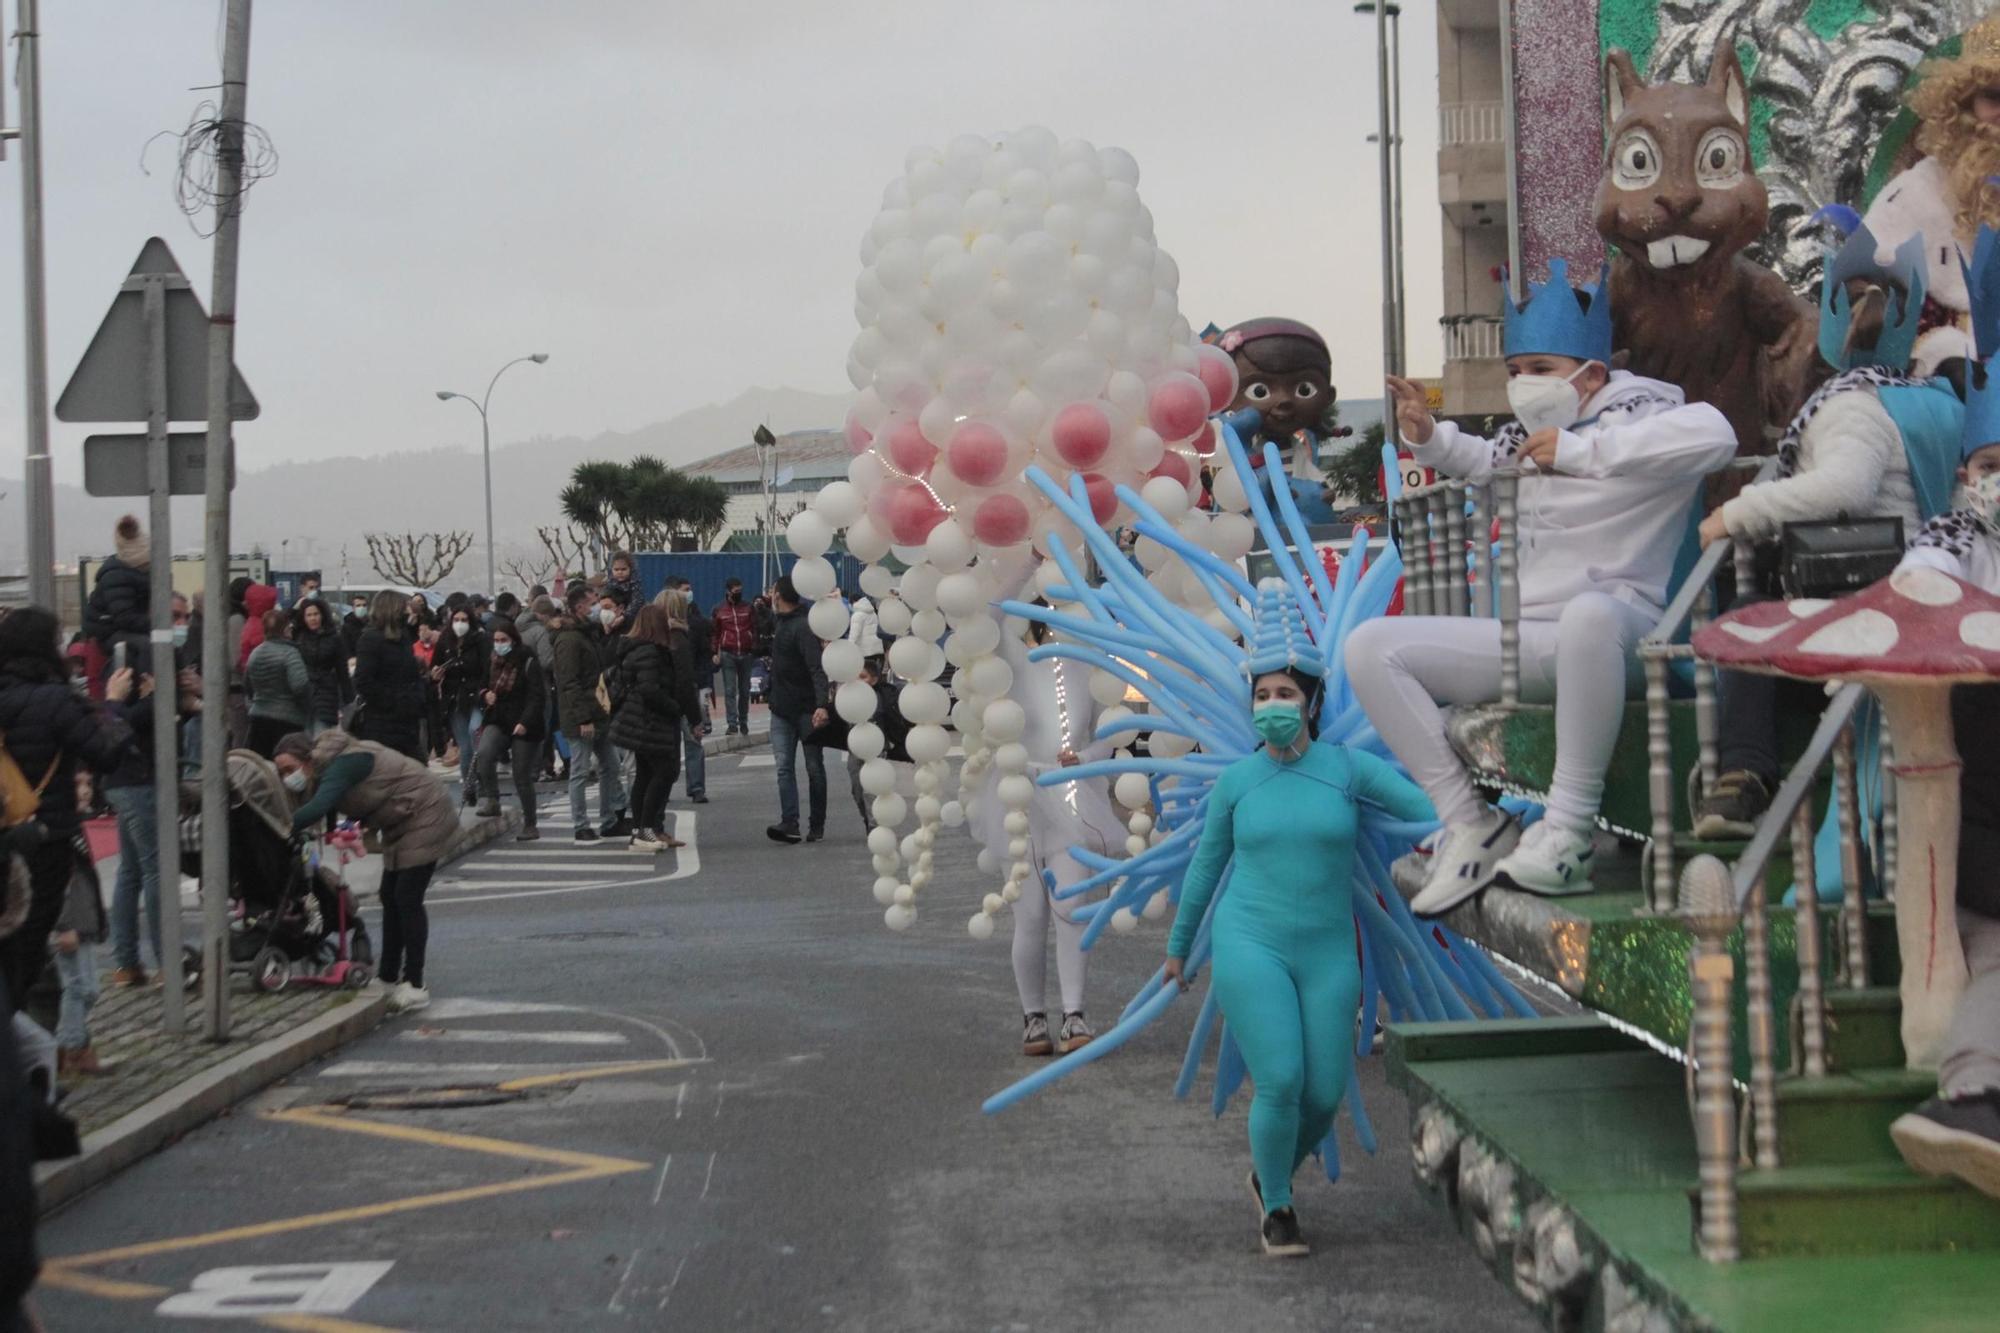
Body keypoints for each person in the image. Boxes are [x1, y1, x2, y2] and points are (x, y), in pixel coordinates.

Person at [1349, 260, 1735, 911]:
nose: (1523, 384)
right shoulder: (1529, 439)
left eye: (1541, 369)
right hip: (1540, 643)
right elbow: (1481, 458)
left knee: (1588, 618)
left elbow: (1717, 435)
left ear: (1592, 375)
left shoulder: (1646, 418)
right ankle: (1471, 823)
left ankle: (1568, 832)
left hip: (1631, 641)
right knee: (1370, 648)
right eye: (1516, 370)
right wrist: (1428, 435)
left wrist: (1585, 453)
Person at [1164, 587, 1434, 1257]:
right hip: (1250, 939)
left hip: (1328, 948)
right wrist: (1178, 947)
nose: (1272, 706)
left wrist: (1482, 818)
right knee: (1280, 1077)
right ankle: (1280, 1206)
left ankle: (1267, 1173)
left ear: (1312, 701)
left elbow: (1430, 806)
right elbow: (1205, 868)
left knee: (1321, 1090)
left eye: (1286, 693)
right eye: (1262, 695)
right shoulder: (1237, 782)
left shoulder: (1347, 770)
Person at [1694, 229, 1966, 836]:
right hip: (1936, 597)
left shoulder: (1851, 404)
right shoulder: (1939, 401)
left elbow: (1843, 489)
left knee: (1748, 617)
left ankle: (1744, 778)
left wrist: (1737, 513)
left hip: (1864, 600)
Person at [977, 559, 1123, 1056]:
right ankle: (1033, 1018)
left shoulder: (1093, 669)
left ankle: (1075, 1013)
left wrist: (1080, 758)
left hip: (1073, 797)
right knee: (1032, 915)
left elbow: (1113, 734)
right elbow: (988, 615)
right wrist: (1028, 565)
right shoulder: (1014, 662)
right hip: (1019, 797)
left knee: (1070, 908)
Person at [0, 608, 135, 1007]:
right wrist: (112, 705)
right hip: (44, 837)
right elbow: (105, 752)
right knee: (27, 945)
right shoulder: (55, 700)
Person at [277, 730, 454, 1014]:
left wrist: (281, 825)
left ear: (307, 760)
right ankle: (388, 975)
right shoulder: (326, 769)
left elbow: (321, 806)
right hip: (401, 818)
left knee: (407, 897)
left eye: (289, 769)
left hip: (424, 811)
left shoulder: (342, 764)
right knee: (390, 895)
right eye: (281, 772)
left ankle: (415, 984)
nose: (288, 777)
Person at [611, 605, 699, 850]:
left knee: (645, 774)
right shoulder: (650, 651)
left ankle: (640, 829)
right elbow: (650, 689)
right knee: (664, 772)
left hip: (638, 720)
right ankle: (646, 829)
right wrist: (674, 707)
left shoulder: (635, 648)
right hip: (651, 721)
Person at [551, 584, 630, 843]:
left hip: (599, 711)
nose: (598, 606)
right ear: (579, 607)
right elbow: (569, 682)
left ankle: (609, 820)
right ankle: (581, 824)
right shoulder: (569, 639)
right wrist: (582, 717)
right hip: (582, 716)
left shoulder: (589, 634)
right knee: (580, 770)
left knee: (611, 765)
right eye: (594, 601)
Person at [765, 576, 830, 844]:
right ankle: (789, 822)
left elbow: (817, 668)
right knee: (783, 767)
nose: (770, 595)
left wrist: (821, 705)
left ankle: (816, 824)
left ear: (779, 594)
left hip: (806, 710)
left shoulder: (802, 627)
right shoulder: (778, 623)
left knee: (813, 767)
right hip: (781, 709)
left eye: (772, 591)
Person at [472, 617, 545, 839]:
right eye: (496, 640)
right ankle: (492, 799)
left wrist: (524, 722)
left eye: (503, 639)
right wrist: (485, 695)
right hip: (498, 720)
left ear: (513, 640)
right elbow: (481, 686)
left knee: (520, 774)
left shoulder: (527, 660)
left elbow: (536, 696)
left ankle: (530, 823)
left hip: (525, 723)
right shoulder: (492, 660)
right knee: (484, 755)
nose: (499, 644)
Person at [52, 828, 108, 1077]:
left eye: (87, 785)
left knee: (90, 989)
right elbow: (55, 887)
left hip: (82, 921)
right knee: (79, 987)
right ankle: (70, 1047)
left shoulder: (74, 835)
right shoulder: (61, 836)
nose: (85, 791)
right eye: (79, 786)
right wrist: (64, 926)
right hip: (70, 926)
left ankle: (71, 1044)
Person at [351, 589, 427, 761]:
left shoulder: (403, 637)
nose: (405, 612)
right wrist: (393, 701)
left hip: (407, 719)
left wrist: (417, 697)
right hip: (382, 722)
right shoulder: (370, 640)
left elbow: (411, 674)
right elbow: (363, 682)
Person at [430, 604, 489, 803]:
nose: (460, 624)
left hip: (476, 697)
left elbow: (486, 668)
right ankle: (469, 786)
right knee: (465, 746)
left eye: (464, 620)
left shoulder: (480, 640)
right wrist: (436, 675)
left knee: (475, 734)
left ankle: (484, 780)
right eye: (456, 620)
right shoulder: (445, 641)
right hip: (455, 700)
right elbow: (434, 667)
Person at [80, 514, 152, 667]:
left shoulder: (136, 568)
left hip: (120, 628)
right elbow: (124, 617)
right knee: (149, 646)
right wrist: (157, 624)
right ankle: (149, 686)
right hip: (108, 631)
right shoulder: (115, 575)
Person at [659, 586, 709, 804]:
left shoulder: (652, 634)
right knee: (693, 740)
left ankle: (663, 789)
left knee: (666, 747)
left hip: (660, 698)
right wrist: (696, 718)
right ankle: (696, 787)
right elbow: (685, 678)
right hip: (682, 697)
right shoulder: (680, 637)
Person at [244, 607, 313, 759]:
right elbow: (300, 685)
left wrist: (256, 700)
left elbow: (248, 685)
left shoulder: (255, 653)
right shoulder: (290, 653)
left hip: (258, 718)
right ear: (284, 629)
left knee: (261, 767)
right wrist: (306, 707)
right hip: (287, 721)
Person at [292, 599, 352, 737]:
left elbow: (342, 670)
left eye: (316, 614)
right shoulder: (299, 636)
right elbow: (287, 618)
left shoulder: (334, 638)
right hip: (303, 694)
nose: (313, 618)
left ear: (322, 615)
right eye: (309, 615)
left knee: (322, 736)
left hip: (326, 692)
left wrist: (348, 700)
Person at [712, 576, 756, 735]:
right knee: (730, 690)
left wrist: (754, 645)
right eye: (736, 591)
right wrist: (714, 652)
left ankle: (743, 721)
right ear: (728, 591)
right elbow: (716, 633)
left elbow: (755, 627)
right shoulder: (719, 610)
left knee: (745, 690)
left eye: (740, 590)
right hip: (728, 652)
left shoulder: (748, 608)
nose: (739, 593)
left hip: (746, 652)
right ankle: (732, 723)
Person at [604, 552, 641, 617]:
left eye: (623, 569)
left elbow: (636, 603)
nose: (620, 572)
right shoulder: (609, 585)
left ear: (631, 569)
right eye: (616, 569)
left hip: (631, 618)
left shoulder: (634, 585)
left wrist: (624, 616)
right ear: (611, 570)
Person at [340, 594, 370, 660]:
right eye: (358, 606)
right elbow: (345, 649)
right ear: (353, 608)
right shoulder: (347, 627)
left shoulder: (371, 624)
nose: (361, 608)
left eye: (364, 605)